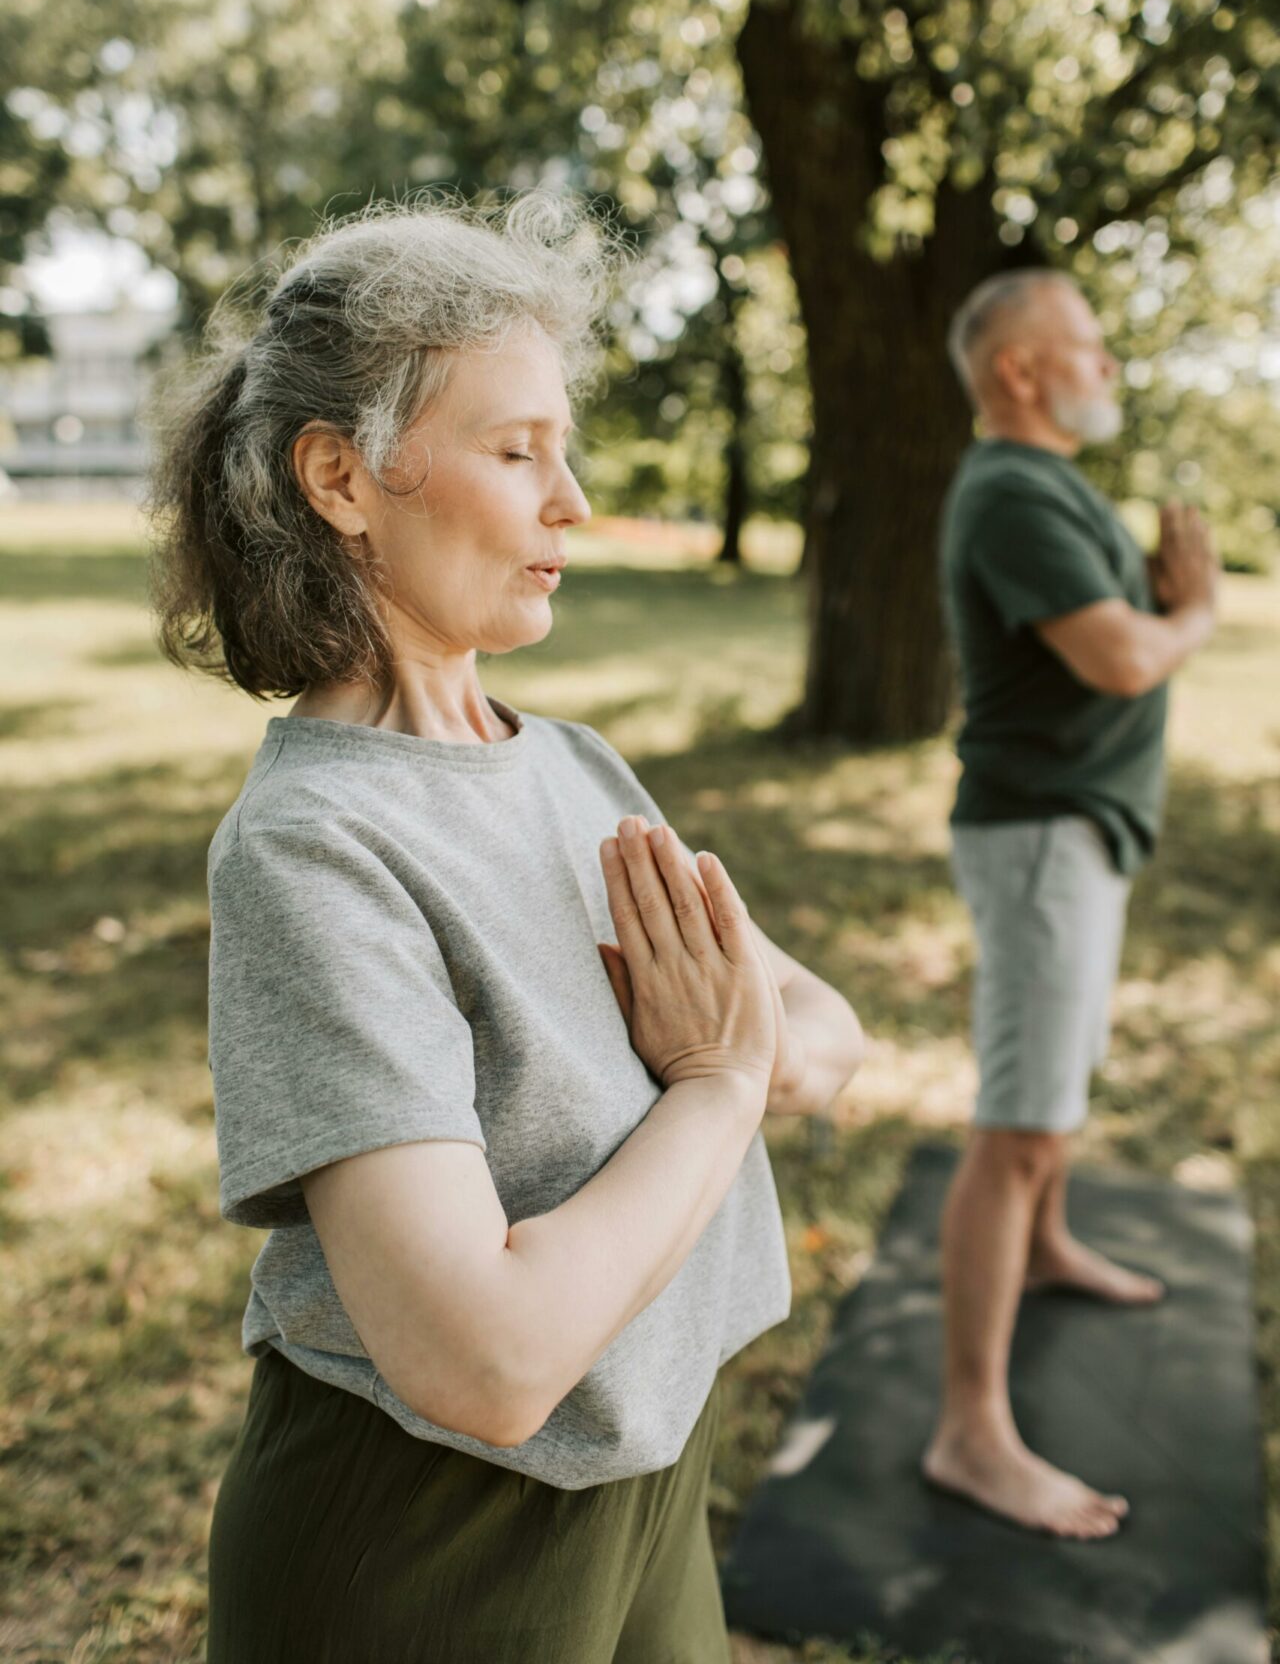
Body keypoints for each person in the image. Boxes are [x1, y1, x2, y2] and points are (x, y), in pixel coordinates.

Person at [147, 191, 865, 1663]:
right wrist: (720, 1084)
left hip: (655, 1478)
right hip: (422, 1545)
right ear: (343, 477)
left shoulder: (573, 764)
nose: (574, 502)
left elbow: (826, 1032)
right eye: (517, 450)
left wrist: (748, 1058)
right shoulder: (314, 849)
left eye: (565, 448)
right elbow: (487, 1357)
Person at [925, 269, 1218, 1539]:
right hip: (1040, 837)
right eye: (1085, 348)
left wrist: (1156, 590)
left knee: (1049, 1104)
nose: (1106, 365)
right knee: (1019, 1130)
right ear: (1018, 372)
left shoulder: (1043, 485)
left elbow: (1111, 628)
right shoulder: (1004, 489)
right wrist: (1193, 608)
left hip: (1072, 830)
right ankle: (969, 1430)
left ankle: (1045, 1250)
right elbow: (1118, 655)